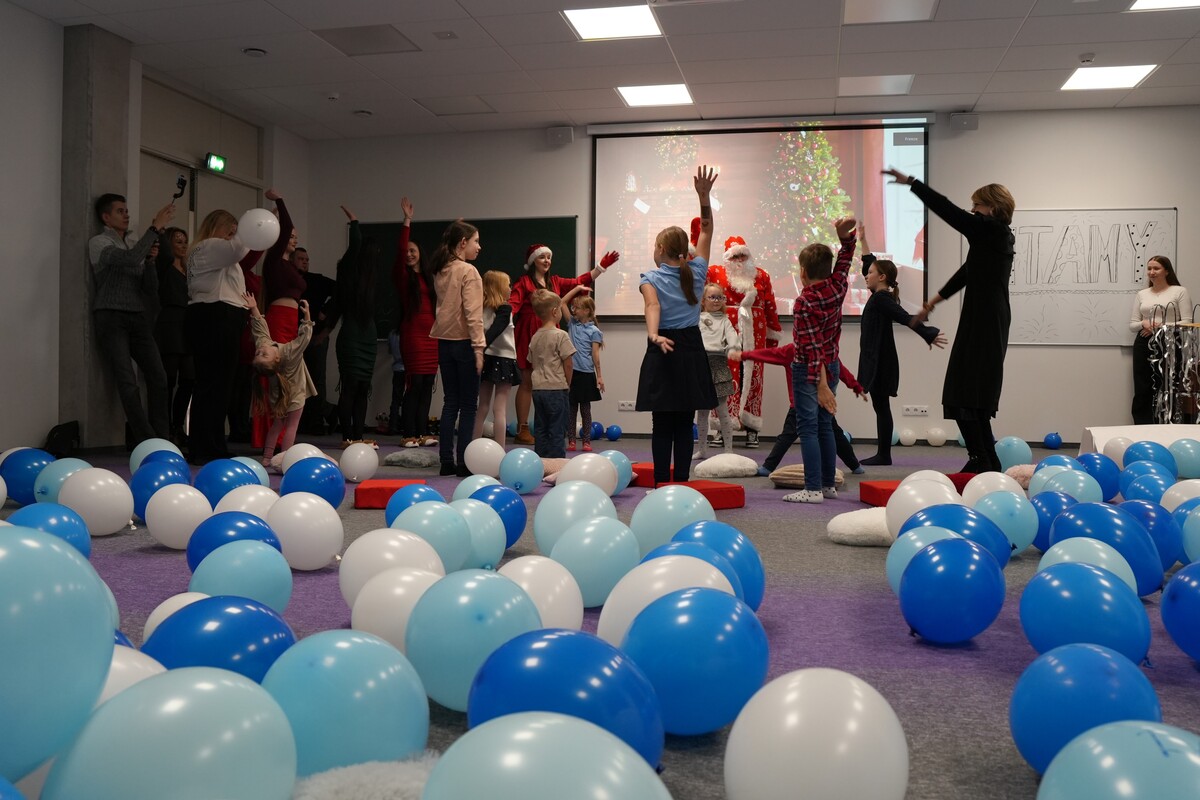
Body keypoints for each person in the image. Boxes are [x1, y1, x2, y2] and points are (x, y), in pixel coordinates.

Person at [890, 168, 1016, 473]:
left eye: (977, 205)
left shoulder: (992, 230)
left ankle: (981, 460)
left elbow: (949, 211)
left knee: (964, 394)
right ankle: (987, 460)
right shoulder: (993, 238)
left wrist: (913, 184)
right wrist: (932, 302)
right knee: (970, 396)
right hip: (984, 319)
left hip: (985, 321)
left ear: (993, 208)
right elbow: (966, 273)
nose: (972, 210)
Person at [637, 166, 719, 486]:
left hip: (663, 346)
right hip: (690, 347)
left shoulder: (651, 277)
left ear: (660, 249)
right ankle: (682, 483)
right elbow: (707, 230)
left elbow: (652, 306)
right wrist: (704, 198)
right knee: (685, 423)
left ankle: (661, 484)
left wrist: (654, 335)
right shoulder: (697, 271)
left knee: (662, 424)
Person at [88, 193, 175, 444]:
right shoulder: (99, 242)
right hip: (110, 315)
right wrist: (154, 229)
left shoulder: (135, 243)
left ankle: (162, 439)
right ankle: (146, 439)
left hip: (137, 316)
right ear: (106, 217)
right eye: (120, 211)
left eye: (126, 210)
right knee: (127, 380)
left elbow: (149, 288)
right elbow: (128, 259)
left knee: (158, 376)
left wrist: (150, 263)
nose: (126, 215)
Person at [511, 244, 618, 445]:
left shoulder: (555, 281)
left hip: (553, 334)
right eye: (542, 257)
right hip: (529, 333)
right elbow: (513, 306)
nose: (546, 261)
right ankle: (522, 429)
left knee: (553, 380)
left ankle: (551, 429)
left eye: (549, 257)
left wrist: (601, 267)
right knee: (527, 382)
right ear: (533, 261)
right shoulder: (524, 282)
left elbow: (579, 281)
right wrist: (504, 322)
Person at [857, 225, 947, 466]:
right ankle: (883, 453)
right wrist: (863, 240)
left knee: (881, 406)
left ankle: (883, 454)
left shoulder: (882, 299)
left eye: (871, 273)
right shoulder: (879, 296)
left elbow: (906, 317)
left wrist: (928, 334)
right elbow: (868, 263)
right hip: (875, 358)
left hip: (880, 361)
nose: (866, 275)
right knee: (880, 406)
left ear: (882, 277)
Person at [784, 215, 858, 503]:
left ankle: (813, 488)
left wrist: (821, 385)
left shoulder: (804, 302)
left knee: (809, 428)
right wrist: (845, 239)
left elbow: (813, 348)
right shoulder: (836, 287)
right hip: (832, 365)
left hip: (811, 370)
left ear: (802, 272)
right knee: (825, 425)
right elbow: (845, 261)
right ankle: (827, 486)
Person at [732, 347, 866, 476]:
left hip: (803, 405)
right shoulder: (805, 350)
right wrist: (856, 387)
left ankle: (768, 466)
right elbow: (769, 354)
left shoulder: (798, 350)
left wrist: (856, 386)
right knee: (835, 434)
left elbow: (840, 370)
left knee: (787, 436)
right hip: (817, 404)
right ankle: (855, 465)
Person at [706, 234, 785, 448]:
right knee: (722, 376)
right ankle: (722, 427)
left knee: (753, 376)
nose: (739, 260)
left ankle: (752, 428)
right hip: (724, 331)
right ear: (727, 257)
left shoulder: (761, 275)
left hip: (754, 332)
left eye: (743, 255)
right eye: (735, 256)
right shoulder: (714, 272)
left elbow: (770, 305)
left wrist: (773, 334)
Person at [186, 209, 252, 464]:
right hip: (216, 316)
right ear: (217, 227)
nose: (233, 236)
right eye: (231, 230)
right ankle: (206, 447)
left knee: (215, 385)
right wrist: (251, 225)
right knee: (215, 385)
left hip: (214, 316)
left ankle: (209, 445)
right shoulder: (209, 246)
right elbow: (238, 249)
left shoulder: (207, 252)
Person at [429, 219, 485, 477]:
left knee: (450, 402)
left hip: (444, 342)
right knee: (469, 405)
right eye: (475, 241)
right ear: (463, 243)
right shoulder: (468, 271)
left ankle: (445, 461)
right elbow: (473, 314)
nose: (479, 247)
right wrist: (479, 348)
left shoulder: (440, 268)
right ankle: (463, 463)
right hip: (464, 343)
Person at [246, 294, 316, 468]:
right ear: (276, 359)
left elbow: (259, 329)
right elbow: (304, 338)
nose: (261, 350)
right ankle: (285, 459)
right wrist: (307, 317)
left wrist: (254, 308)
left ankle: (267, 458)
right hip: (295, 394)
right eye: (263, 354)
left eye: (258, 353)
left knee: (277, 424)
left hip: (277, 395)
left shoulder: (265, 346)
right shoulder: (289, 352)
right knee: (291, 426)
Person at [391, 197, 439, 448]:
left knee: (428, 384)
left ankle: (423, 432)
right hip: (412, 336)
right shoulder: (402, 276)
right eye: (407, 251)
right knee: (415, 383)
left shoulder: (430, 277)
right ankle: (408, 433)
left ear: (420, 254)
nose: (409, 254)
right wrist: (407, 221)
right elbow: (400, 252)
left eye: (413, 251)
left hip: (432, 336)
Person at [333, 205, 381, 448]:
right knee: (351, 386)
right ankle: (347, 437)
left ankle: (358, 437)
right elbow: (355, 247)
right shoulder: (348, 270)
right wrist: (354, 223)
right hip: (352, 336)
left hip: (367, 336)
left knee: (363, 387)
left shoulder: (369, 279)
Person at [255, 188, 300, 449]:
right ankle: (271, 438)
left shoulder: (289, 265)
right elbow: (286, 228)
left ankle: (283, 437)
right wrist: (280, 201)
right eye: (290, 236)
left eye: (295, 237)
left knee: (289, 377)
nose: (293, 239)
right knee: (277, 375)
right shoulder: (273, 259)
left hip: (291, 322)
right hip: (279, 320)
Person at [1129, 255, 1192, 424]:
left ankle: (1167, 425)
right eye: (1149, 268)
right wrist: (1144, 323)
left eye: (1156, 268)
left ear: (1167, 271)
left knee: (1168, 385)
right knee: (1142, 387)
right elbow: (1133, 325)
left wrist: (1161, 326)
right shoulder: (1142, 294)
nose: (1152, 272)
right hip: (1144, 342)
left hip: (1170, 342)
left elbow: (1187, 321)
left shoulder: (1179, 291)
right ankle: (1141, 425)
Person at [155, 226, 193, 445]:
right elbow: (164, 256)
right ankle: (165, 428)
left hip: (187, 326)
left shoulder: (189, 270)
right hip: (170, 325)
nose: (183, 245)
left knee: (189, 378)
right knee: (169, 379)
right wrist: (161, 231)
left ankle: (178, 426)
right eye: (178, 241)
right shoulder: (165, 267)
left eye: (185, 241)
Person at [474, 270, 520, 447]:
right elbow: (495, 330)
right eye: (508, 285)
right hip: (503, 359)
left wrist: (480, 350)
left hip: (487, 358)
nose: (510, 289)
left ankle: (473, 444)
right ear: (499, 288)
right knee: (499, 409)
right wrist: (483, 347)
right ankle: (500, 449)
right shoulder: (505, 309)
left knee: (483, 406)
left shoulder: (481, 309)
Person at [528, 289, 575, 459]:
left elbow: (532, 362)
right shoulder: (561, 335)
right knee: (557, 428)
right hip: (556, 388)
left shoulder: (535, 336)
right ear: (555, 311)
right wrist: (568, 383)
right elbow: (568, 363)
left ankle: (540, 461)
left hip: (538, 389)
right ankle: (556, 464)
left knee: (541, 427)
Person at [296, 246, 338, 435]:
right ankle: (319, 415)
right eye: (301, 259)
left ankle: (318, 420)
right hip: (295, 337)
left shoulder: (316, 280)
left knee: (316, 379)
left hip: (316, 336)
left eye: (307, 259)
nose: (305, 262)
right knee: (300, 381)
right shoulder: (289, 281)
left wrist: (326, 312)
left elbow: (340, 291)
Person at [694, 282, 738, 460]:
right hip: (701, 366)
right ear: (703, 300)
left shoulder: (725, 320)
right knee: (702, 413)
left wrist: (733, 347)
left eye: (720, 297)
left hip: (719, 366)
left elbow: (733, 338)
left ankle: (728, 450)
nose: (716, 300)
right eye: (712, 297)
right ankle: (702, 450)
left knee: (722, 411)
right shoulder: (696, 318)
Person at [564, 287, 604, 452]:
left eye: (578, 307)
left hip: (586, 373)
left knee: (585, 409)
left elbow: (595, 355)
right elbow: (562, 302)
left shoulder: (595, 331)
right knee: (571, 409)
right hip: (571, 372)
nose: (574, 310)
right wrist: (577, 289)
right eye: (573, 307)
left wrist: (599, 376)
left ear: (587, 311)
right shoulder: (572, 324)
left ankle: (586, 441)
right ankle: (571, 440)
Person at [387, 325, 406, 436]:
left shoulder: (392, 333)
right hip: (409, 369)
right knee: (409, 399)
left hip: (397, 369)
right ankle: (406, 425)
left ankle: (393, 426)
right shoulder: (408, 331)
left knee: (395, 399)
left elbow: (390, 350)